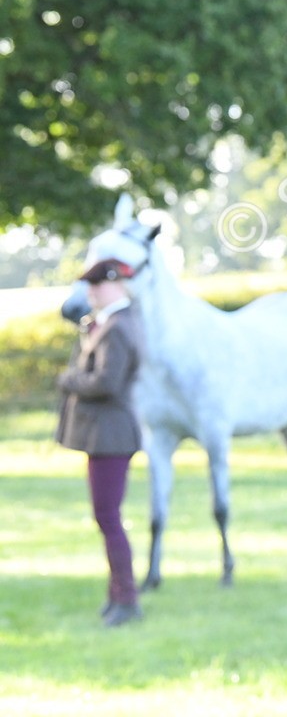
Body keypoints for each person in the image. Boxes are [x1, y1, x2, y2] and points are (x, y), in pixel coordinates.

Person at [56, 258, 145, 628]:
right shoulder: (109, 324)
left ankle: (126, 598)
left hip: (112, 435)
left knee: (109, 517)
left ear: (117, 285)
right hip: (104, 435)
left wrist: (69, 379)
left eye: (97, 286)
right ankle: (117, 595)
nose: (91, 292)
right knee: (106, 516)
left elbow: (107, 383)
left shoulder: (118, 327)